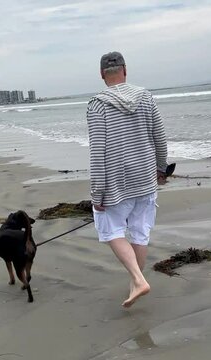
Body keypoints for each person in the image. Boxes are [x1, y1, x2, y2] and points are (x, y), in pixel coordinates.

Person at [86, 51, 168, 308]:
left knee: (110, 228)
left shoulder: (97, 105)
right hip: (145, 178)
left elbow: (98, 152)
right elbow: (160, 137)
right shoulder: (146, 97)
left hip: (117, 183)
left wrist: (97, 192)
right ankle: (136, 282)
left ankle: (137, 279)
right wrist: (161, 169)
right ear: (125, 70)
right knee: (140, 231)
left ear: (102, 75)